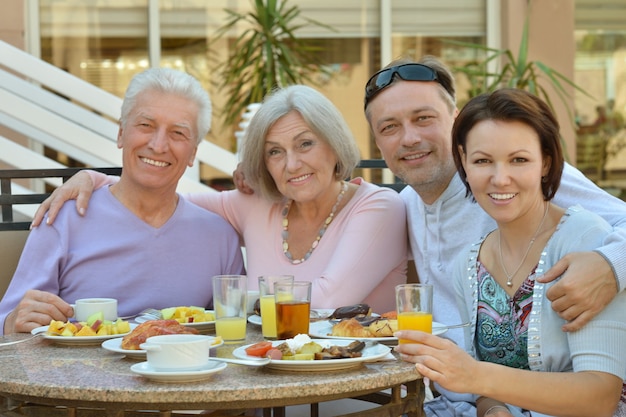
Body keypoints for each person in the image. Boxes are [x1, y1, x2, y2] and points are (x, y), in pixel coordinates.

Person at [363, 56, 626, 415]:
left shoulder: (522, 179)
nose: (410, 138)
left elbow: (599, 393)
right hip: (458, 403)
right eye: (389, 127)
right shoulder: (408, 208)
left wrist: (610, 264)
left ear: (455, 122)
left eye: (423, 118)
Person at [30, 85, 408, 314]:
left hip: (356, 396)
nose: (292, 164)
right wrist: (94, 178)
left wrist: (221, 295)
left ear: (334, 144)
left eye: (305, 144)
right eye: (274, 152)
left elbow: (325, 301)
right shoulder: (258, 205)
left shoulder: (377, 207)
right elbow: (160, 188)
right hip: (259, 388)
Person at [0, 68, 245, 335]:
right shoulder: (62, 218)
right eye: (146, 125)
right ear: (121, 133)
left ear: (192, 153)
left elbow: (233, 337)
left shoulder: (220, 237)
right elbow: (8, 323)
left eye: (178, 133)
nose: (159, 145)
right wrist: (13, 322)